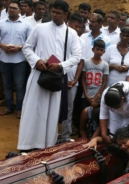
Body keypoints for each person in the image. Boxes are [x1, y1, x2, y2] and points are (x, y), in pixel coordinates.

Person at [17, 0, 81, 151]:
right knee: (33, 109)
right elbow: (27, 48)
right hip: (38, 75)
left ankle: (46, 145)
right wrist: (36, 60)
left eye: (58, 13)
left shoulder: (71, 33)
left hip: (54, 78)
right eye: (53, 12)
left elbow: (77, 56)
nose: (54, 15)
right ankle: (27, 144)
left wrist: (60, 65)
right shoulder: (40, 28)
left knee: (51, 113)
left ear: (66, 15)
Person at [0, 0, 32, 118]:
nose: (11, 10)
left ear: (19, 10)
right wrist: (2, 45)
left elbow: (30, 43)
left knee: (19, 86)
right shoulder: (1, 23)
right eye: (10, 8)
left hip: (19, 60)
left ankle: (19, 108)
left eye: (14, 8)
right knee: (7, 85)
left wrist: (18, 48)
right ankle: (9, 107)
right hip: (4, 59)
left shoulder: (26, 25)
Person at [60, 13, 86, 141]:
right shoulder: (59, 36)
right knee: (54, 107)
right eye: (76, 26)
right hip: (57, 78)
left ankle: (65, 135)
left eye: (80, 27)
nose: (78, 30)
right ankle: (51, 134)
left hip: (72, 81)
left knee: (68, 109)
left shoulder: (81, 41)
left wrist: (75, 80)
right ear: (68, 23)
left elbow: (81, 62)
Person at [81, 39, 108, 109]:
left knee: (95, 113)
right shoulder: (86, 62)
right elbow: (83, 79)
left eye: (101, 50)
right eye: (97, 49)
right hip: (86, 94)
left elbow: (104, 82)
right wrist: (85, 94)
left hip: (98, 95)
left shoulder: (105, 65)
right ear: (93, 49)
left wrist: (97, 95)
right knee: (84, 112)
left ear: (104, 52)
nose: (99, 52)